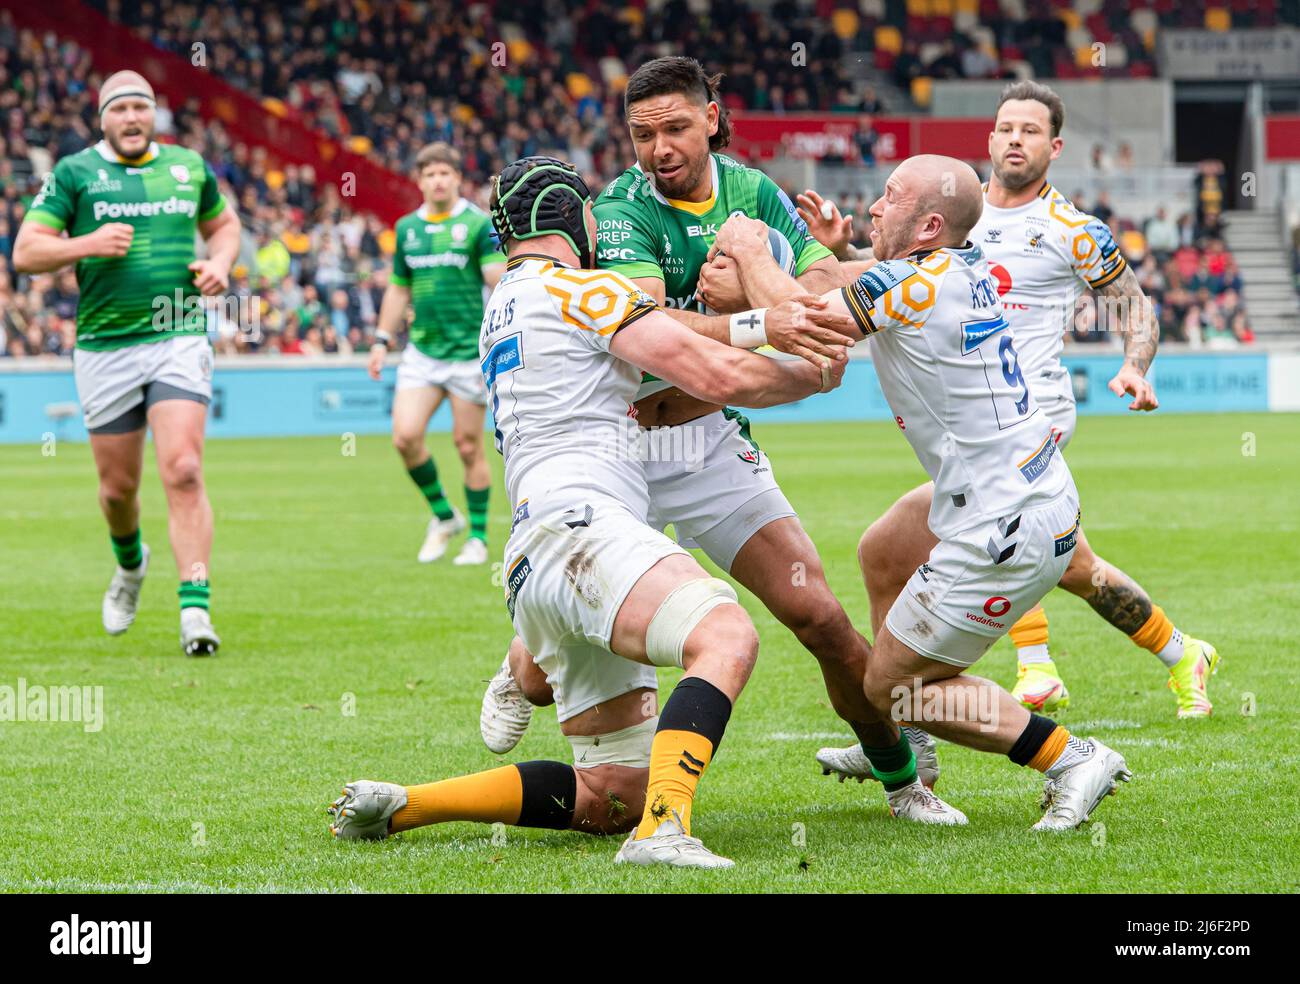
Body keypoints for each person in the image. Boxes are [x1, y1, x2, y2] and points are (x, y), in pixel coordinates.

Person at [329, 157, 851, 867]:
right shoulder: (580, 289)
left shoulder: (509, 303)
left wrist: (769, 325)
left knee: (610, 795)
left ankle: (407, 803)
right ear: (572, 219)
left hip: (534, 560)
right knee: (724, 636)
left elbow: (683, 338)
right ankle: (665, 831)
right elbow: (714, 373)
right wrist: (809, 363)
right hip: (582, 532)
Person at [478, 56, 944, 814]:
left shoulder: (753, 192)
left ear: (712, 119)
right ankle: (521, 667)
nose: (658, 149)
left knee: (817, 614)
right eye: (641, 134)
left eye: (674, 128)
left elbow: (822, 292)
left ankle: (902, 779)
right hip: (625, 445)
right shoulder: (624, 209)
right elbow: (656, 324)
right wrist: (750, 314)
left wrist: (796, 280)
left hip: (704, 440)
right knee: (549, 668)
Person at [714, 155, 1132, 831]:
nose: (875, 207)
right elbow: (858, 280)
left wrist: (747, 251)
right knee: (884, 550)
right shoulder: (954, 266)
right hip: (1022, 489)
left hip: (1004, 524)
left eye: (889, 199)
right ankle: (914, 746)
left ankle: (1069, 756)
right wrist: (836, 249)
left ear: (930, 224)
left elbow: (803, 319)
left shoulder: (911, 283)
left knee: (895, 688)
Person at [804, 82, 1219, 742]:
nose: (1015, 139)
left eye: (1030, 130)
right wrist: (842, 254)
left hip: (1030, 412)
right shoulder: (957, 214)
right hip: (965, 408)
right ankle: (1177, 652)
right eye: (1005, 128)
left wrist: (1135, 366)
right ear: (990, 140)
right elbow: (892, 289)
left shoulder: (1075, 232)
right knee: (1049, 562)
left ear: (1053, 147)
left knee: (1012, 536)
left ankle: (1024, 674)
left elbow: (1135, 307)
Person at [12, 70, 240, 656]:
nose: (132, 117)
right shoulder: (73, 173)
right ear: (103, 117)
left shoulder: (189, 166)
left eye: (142, 106)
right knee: (117, 492)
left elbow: (225, 226)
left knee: (184, 468)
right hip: (105, 346)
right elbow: (27, 251)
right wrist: (85, 244)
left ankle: (195, 610)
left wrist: (221, 263)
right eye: (121, 109)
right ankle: (131, 565)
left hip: (177, 330)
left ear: (154, 113)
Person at [367, 142, 505, 565]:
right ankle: (445, 516)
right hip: (422, 353)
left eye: (445, 173)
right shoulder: (407, 228)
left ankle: (478, 538)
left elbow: (495, 277)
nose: (438, 180)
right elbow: (398, 286)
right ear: (420, 180)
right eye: (430, 174)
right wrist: (380, 339)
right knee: (405, 437)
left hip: (467, 353)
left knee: (467, 446)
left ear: (457, 178)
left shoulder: (479, 225)